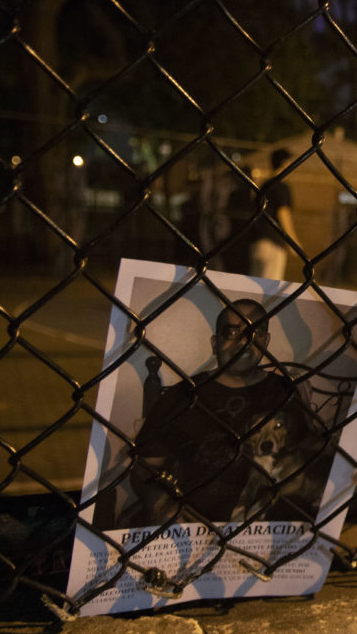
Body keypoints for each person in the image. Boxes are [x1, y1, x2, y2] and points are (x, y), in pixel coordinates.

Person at [117, 299, 331, 527]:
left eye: (254, 333)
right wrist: (160, 503)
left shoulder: (286, 391)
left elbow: (313, 457)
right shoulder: (182, 396)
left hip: (271, 518)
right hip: (194, 520)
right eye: (231, 332)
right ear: (215, 342)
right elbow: (143, 469)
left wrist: (308, 412)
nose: (244, 342)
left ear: (266, 341)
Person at [253, 149, 302, 280]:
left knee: (256, 287)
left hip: (257, 242)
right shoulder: (282, 186)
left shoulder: (264, 185)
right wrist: (293, 243)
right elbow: (283, 214)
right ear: (285, 163)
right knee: (270, 290)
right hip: (273, 244)